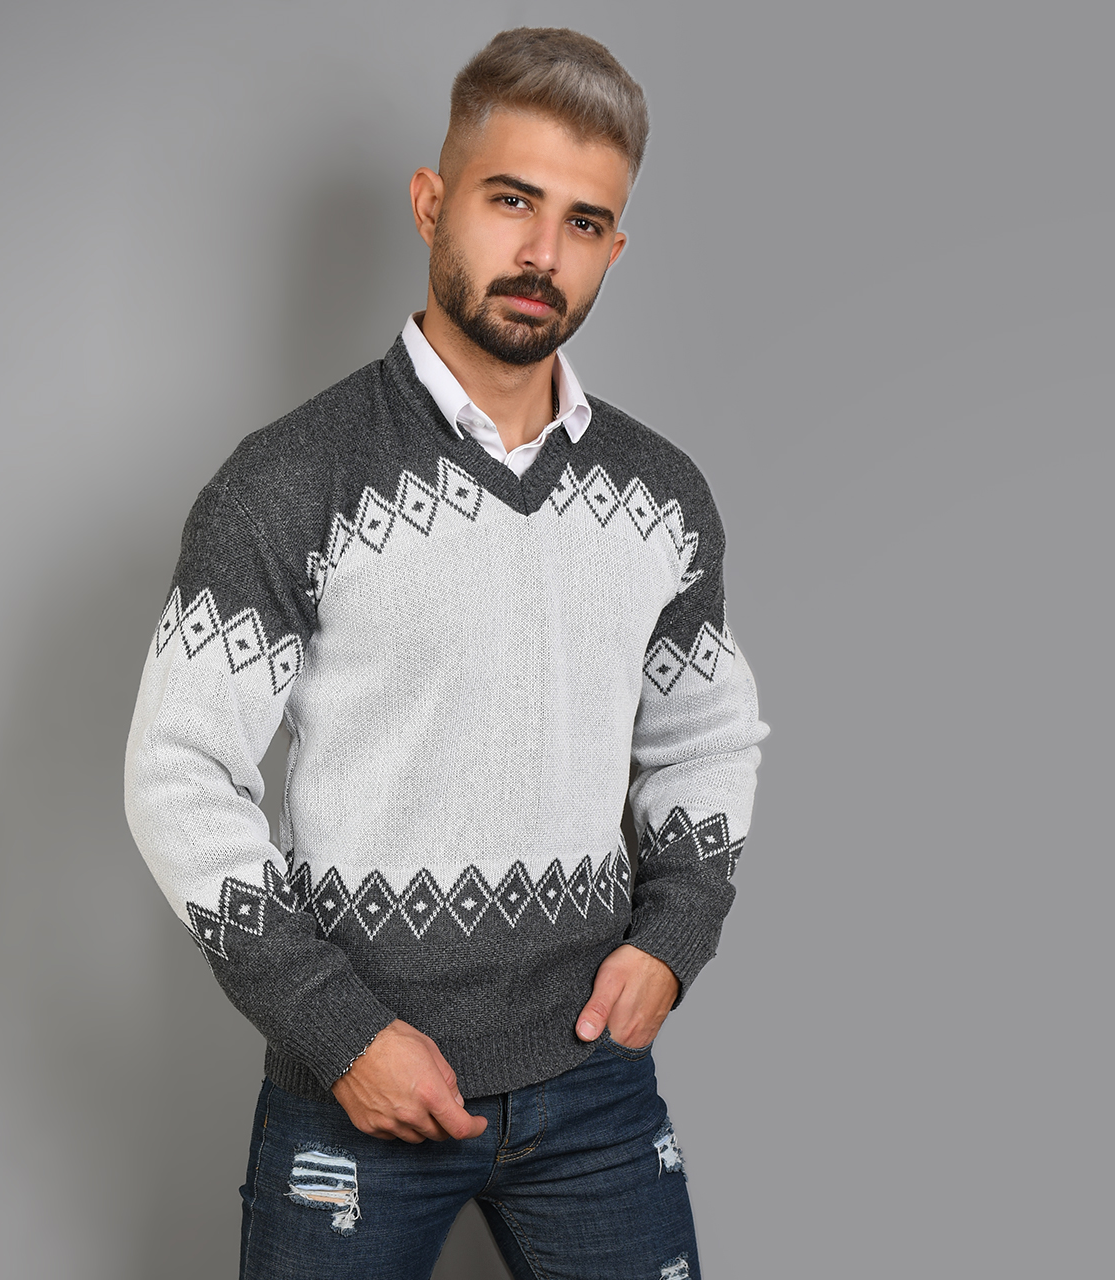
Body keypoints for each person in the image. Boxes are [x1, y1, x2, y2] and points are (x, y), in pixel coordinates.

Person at [125, 26, 768, 1280]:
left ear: (614, 249)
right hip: (355, 1082)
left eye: (584, 222)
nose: (541, 253)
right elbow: (177, 772)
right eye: (510, 200)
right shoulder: (287, 480)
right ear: (432, 203)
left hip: (594, 1083)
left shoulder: (661, 493)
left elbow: (705, 735)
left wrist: (674, 934)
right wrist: (338, 1029)